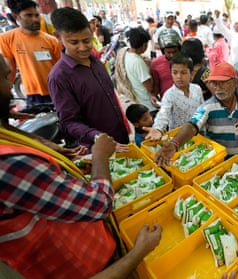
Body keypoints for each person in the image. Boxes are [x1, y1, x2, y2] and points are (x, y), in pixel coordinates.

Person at [0, 53, 163, 279]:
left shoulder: (96, 64)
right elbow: (99, 204)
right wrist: (99, 157)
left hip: (94, 248)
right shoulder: (9, 165)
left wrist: (59, 161)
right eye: (5, 77)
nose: (11, 85)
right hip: (83, 266)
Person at [48, 7, 129, 151]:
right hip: (97, 151)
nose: (83, 47)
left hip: (121, 139)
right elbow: (69, 122)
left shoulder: (95, 61)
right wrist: (99, 138)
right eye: (74, 42)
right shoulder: (59, 77)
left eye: (87, 40)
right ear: (58, 37)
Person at [154, 62, 238, 164]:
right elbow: (192, 125)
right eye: (214, 83)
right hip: (216, 161)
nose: (218, 87)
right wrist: (175, 143)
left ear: (235, 82)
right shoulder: (208, 107)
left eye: (222, 82)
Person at [0, 0, 61, 107]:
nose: (35, 19)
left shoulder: (52, 40)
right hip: (32, 95)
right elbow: (10, 70)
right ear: (16, 17)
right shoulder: (7, 39)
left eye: (37, 15)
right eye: (29, 15)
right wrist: (4, 97)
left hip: (57, 92)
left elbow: (61, 69)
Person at [145, 54, 204, 141]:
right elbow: (163, 114)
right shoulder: (169, 95)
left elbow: (202, 110)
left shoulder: (197, 89)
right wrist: (158, 129)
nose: (179, 77)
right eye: (175, 72)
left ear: (191, 74)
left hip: (197, 133)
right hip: (178, 138)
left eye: (183, 72)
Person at [114, 27, 158, 115]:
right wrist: (151, 68)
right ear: (144, 45)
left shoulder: (125, 54)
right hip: (148, 106)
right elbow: (149, 87)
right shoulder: (138, 62)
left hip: (137, 102)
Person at [150, 28, 182, 100]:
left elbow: (204, 72)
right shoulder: (155, 64)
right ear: (163, 51)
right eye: (168, 52)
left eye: (174, 52)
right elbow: (156, 86)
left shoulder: (187, 60)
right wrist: (153, 96)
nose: (172, 55)